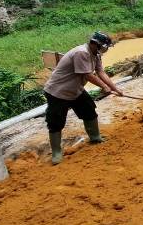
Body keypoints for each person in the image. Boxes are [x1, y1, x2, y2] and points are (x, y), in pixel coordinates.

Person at [43, 31, 121, 165]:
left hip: (75, 90)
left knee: (89, 111)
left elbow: (100, 72)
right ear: (95, 44)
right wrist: (104, 87)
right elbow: (87, 75)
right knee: (56, 121)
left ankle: (95, 137)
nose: (105, 49)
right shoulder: (81, 53)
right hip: (58, 92)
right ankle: (56, 152)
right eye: (104, 47)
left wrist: (115, 88)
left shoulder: (96, 54)